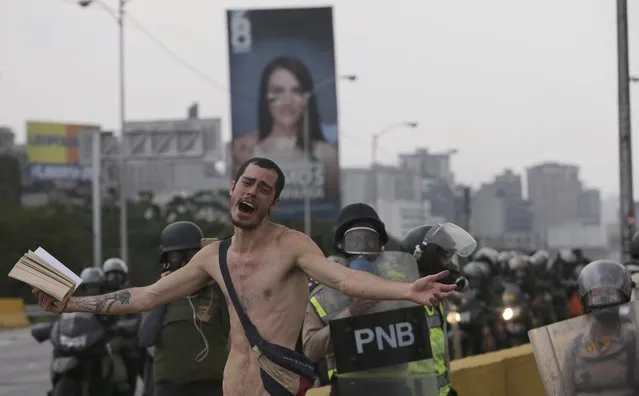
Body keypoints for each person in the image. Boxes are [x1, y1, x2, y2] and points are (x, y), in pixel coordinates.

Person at [33, 157, 457, 396]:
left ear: (272, 203)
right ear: (232, 190)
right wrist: (69, 301)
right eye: (247, 183)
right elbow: (146, 296)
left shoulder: (292, 245)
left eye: (264, 188)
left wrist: (407, 289)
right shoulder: (211, 256)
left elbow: (343, 280)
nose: (252, 192)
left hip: (275, 387)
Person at [137, 221, 229, 396]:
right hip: (171, 388)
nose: (184, 263)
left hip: (211, 387)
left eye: (191, 255)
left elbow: (230, 327)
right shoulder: (157, 295)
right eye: (175, 257)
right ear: (166, 260)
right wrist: (165, 291)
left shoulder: (216, 294)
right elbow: (146, 338)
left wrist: (215, 276)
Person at [231, 57, 339, 200]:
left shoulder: (327, 155)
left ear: (306, 98)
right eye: (278, 91)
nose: (288, 100)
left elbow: (332, 202)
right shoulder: (243, 152)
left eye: (296, 91)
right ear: (266, 98)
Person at [302, 203, 387, 385]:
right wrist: (351, 313)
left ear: (380, 245)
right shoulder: (323, 296)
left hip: (396, 385)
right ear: (341, 245)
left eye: (369, 240)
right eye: (354, 241)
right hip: (347, 387)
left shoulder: (398, 286)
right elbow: (311, 349)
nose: (362, 248)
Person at [400, 223, 477, 396]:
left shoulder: (435, 301)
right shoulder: (401, 302)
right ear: (425, 258)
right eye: (445, 258)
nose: (450, 264)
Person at [561, 260, 639, 395]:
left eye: (609, 292)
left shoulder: (635, 340)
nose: (603, 298)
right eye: (598, 293)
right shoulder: (574, 348)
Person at [103, 257, 142, 396]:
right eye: (110, 275)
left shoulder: (127, 295)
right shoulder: (100, 294)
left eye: (117, 275)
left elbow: (137, 317)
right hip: (101, 338)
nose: (114, 279)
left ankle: (123, 382)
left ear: (123, 276)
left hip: (125, 338)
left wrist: (122, 326)